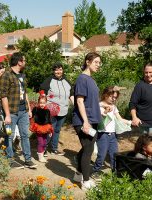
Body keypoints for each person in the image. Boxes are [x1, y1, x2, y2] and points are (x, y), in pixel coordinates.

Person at [0, 52, 37, 169]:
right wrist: (7, 115)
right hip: (11, 111)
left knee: (25, 135)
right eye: (24, 60)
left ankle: (27, 159)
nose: (25, 63)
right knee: (9, 135)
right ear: (19, 62)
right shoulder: (6, 75)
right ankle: (9, 160)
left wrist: (28, 108)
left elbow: (24, 93)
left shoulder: (22, 75)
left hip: (23, 111)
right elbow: (3, 96)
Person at [72, 52, 102, 190]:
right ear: (88, 62)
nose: (98, 65)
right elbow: (79, 100)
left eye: (99, 63)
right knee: (88, 149)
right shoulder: (82, 79)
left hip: (92, 119)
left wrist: (102, 108)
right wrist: (85, 121)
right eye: (96, 62)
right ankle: (86, 181)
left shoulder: (91, 79)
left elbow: (92, 101)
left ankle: (78, 173)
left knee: (86, 148)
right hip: (83, 120)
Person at [91, 86, 131, 180]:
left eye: (115, 97)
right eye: (112, 97)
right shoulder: (99, 105)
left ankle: (115, 173)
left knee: (114, 154)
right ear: (105, 95)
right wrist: (105, 112)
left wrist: (130, 122)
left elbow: (120, 119)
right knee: (102, 154)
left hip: (112, 134)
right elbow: (99, 121)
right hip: (103, 134)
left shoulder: (114, 107)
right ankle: (96, 171)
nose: (113, 99)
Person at [40, 62, 74, 156]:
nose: (58, 71)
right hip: (52, 110)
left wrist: (76, 105)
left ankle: (54, 148)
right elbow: (42, 90)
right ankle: (44, 148)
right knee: (50, 129)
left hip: (63, 110)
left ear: (62, 70)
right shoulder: (49, 80)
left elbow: (71, 94)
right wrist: (43, 102)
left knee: (57, 130)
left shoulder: (66, 81)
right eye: (56, 69)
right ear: (53, 71)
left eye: (60, 69)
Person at [130, 62, 152, 135]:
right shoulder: (140, 86)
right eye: (146, 72)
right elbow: (132, 103)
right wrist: (134, 117)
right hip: (145, 124)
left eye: (150, 72)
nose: (148, 75)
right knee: (147, 145)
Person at [30, 95, 53, 163]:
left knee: (45, 142)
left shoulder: (47, 110)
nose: (42, 104)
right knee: (41, 142)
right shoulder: (36, 109)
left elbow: (49, 121)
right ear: (38, 102)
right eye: (40, 103)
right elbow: (31, 117)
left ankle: (42, 154)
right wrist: (31, 123)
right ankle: (40, 157)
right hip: (38, 127)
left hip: (46, 128)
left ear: (46, 103)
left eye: (43, 103)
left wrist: (50, 131)